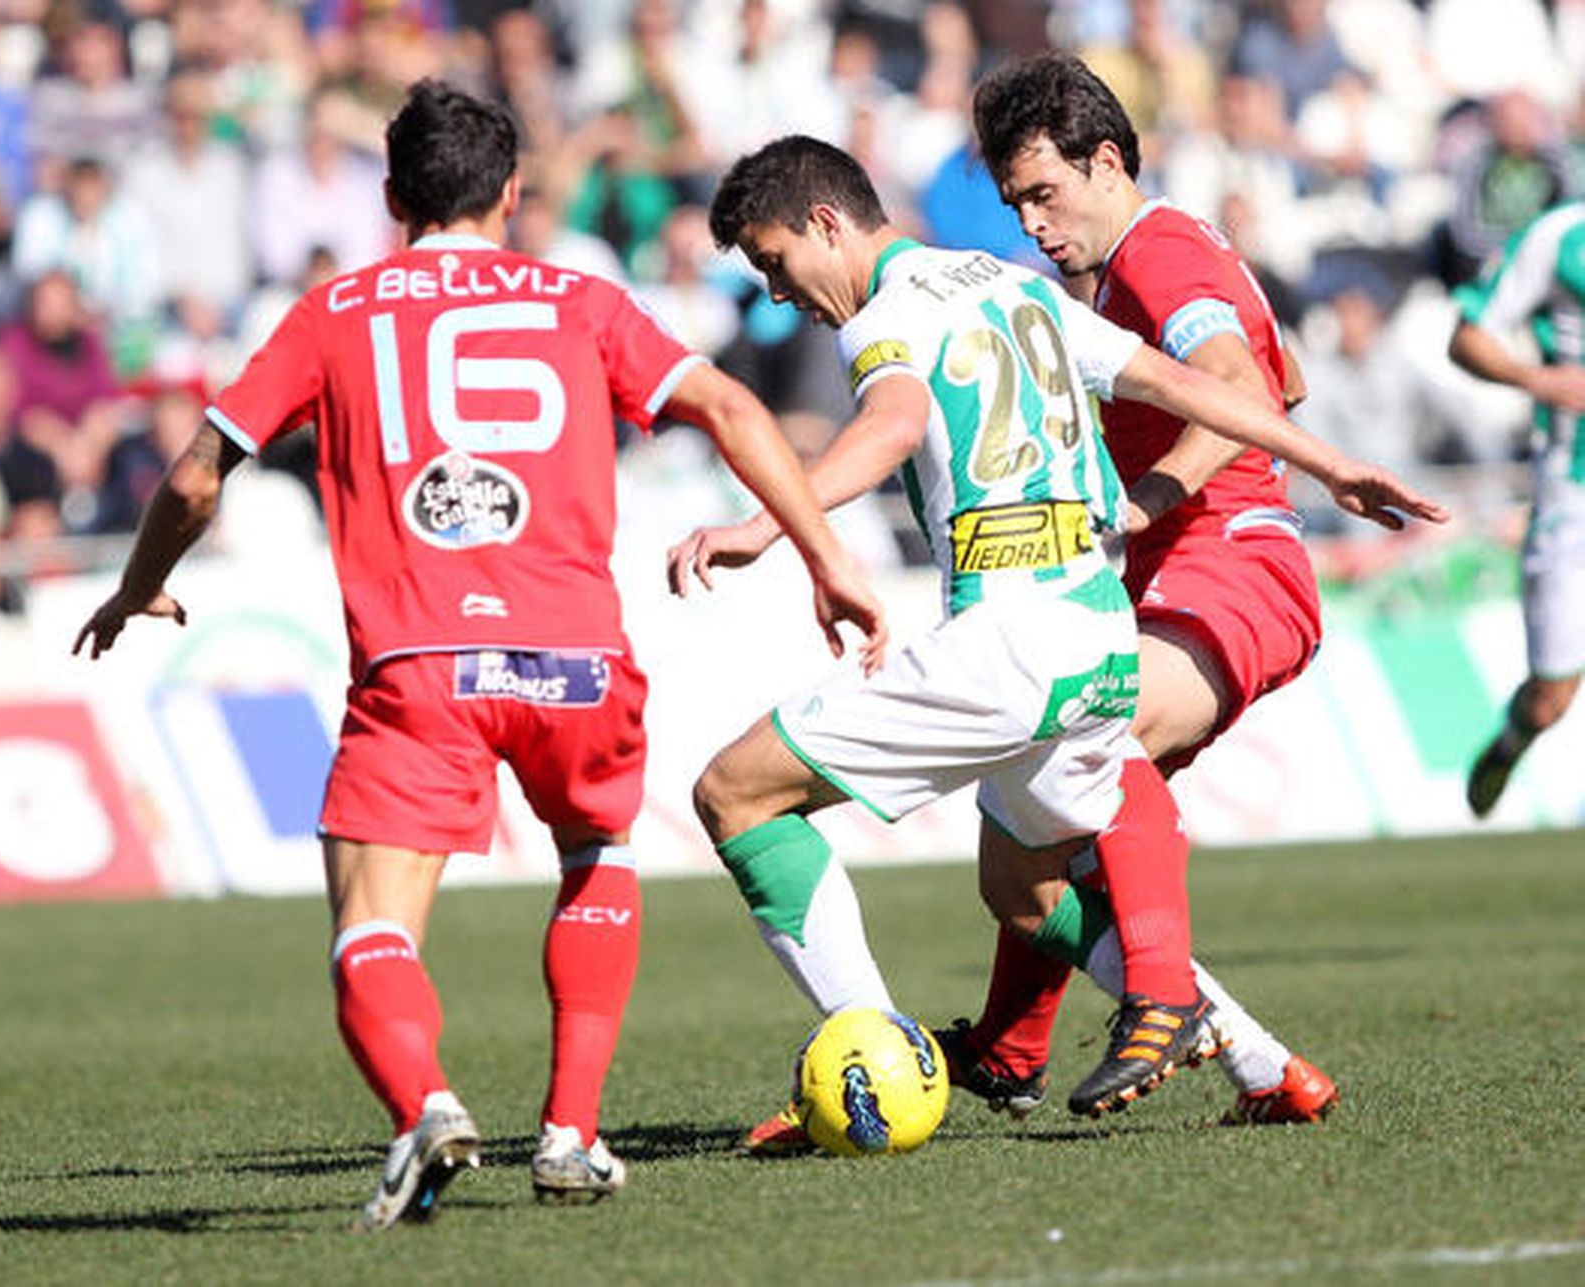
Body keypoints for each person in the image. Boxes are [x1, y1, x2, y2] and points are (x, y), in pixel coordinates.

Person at [73, 81, 884, 1227]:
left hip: (421, 662)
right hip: (577, 661)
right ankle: (572, 1133)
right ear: (510, 194)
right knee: (595, 854)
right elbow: (737, 414)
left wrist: (138, 583)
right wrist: (826, 559)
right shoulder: (582, 301)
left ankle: (426, 1107)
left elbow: (200, 474)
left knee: (370, 922)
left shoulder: (334, 313)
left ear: (392, 196)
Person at [666, 135, 1442, 1148]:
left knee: (735, 793)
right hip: (1096, 630)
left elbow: (891, 424)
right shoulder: (1013, 285)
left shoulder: (885, 317)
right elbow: (1182, 384)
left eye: (776, 262)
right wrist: (1332, 464)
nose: (780, 293)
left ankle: (874, 1065)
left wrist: (767, 524)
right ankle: (1263, 1063)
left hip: (1006, 644)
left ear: (825, 222)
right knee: (1022, 889)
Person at [935, 50, 1358, 1130]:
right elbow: (1286, 376)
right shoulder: (1162, 257)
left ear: (1108, 162)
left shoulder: (1157, 253)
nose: (1032, 223)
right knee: (1022, 862)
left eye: (1044, 192)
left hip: (1234, 564)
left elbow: (1243, 385)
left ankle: (1162, 993)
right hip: (1193, 573)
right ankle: (1010, 1047)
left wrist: (1148, 495)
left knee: (1093, 731)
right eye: (1015, 204)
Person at [1451, 200, 1585, 818]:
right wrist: (1541, 381)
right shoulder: (1558, 237)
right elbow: (1467, 338)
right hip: (1572, 491)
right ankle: (1510, 742)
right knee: (1551, 699)